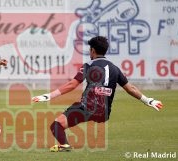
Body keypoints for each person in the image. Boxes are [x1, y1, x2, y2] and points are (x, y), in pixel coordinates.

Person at [32, 36, 163, 152]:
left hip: (87, 108)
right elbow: (131, 89)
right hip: (104, 113)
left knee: (56, 124)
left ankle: (65, 145)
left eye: (90, 50)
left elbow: (72, 84)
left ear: (93, 51)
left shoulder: (89, 65)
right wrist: (149, 100)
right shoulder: (115, 68)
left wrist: (48, 96)